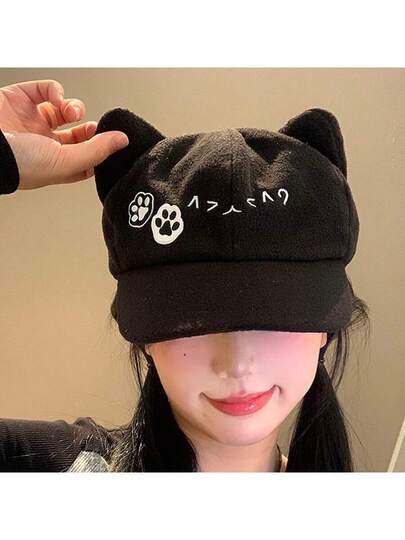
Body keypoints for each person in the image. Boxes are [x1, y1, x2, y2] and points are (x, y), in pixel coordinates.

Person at [0, 79, 370, 473]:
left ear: (323, 331)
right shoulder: (70, 467)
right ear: (147, 338)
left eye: (275, 315)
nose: (237, 365)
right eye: (196, 320)